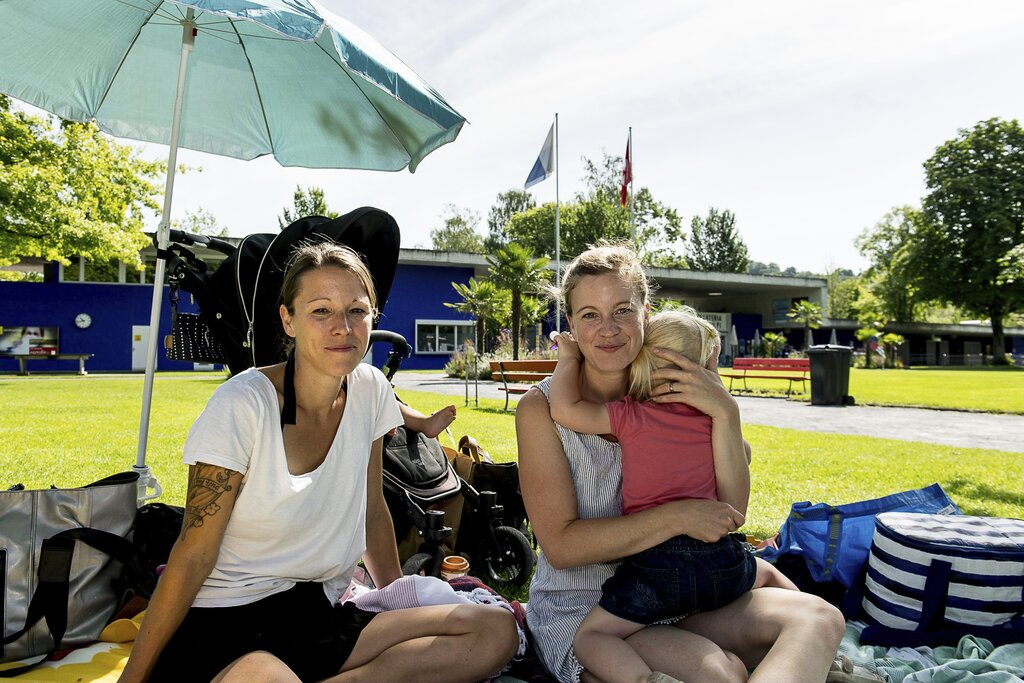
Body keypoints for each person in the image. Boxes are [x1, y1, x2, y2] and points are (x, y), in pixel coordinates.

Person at [119, 241, 517, 683]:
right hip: (228, 620)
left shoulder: (368, 390)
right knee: (265, 676)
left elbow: (369, 507)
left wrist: (393, 595)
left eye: (356, 311)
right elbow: (192, 554)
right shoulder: (243, 404)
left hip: (317, 616)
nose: (342, 327)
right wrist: (133, 678)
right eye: (321, 311)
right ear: (288, 320)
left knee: (495, 630)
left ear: (373, 318)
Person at [517, 243, 845, 683]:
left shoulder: (680, 395)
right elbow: (563, 547)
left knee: (820, 619)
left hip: (683, 591)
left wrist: (725, 412)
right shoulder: (541, 409)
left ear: (645, 314)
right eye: (590, 315)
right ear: (571, 325)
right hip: (591, 610)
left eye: (622, 311)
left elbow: (732, 509)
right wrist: (676, 517)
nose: (608, 329)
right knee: (721, 674)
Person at [548, 308, 797, 683]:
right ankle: (829, 660)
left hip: (658, 569)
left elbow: (565, 409)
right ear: (706, 372)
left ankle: (643, 679)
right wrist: (721, 403)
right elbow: (741, 471)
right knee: (770, 575)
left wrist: (568, 359)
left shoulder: (633, 415)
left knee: (592, 636)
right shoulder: (712, 421)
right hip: (720, 560)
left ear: (641, 363)